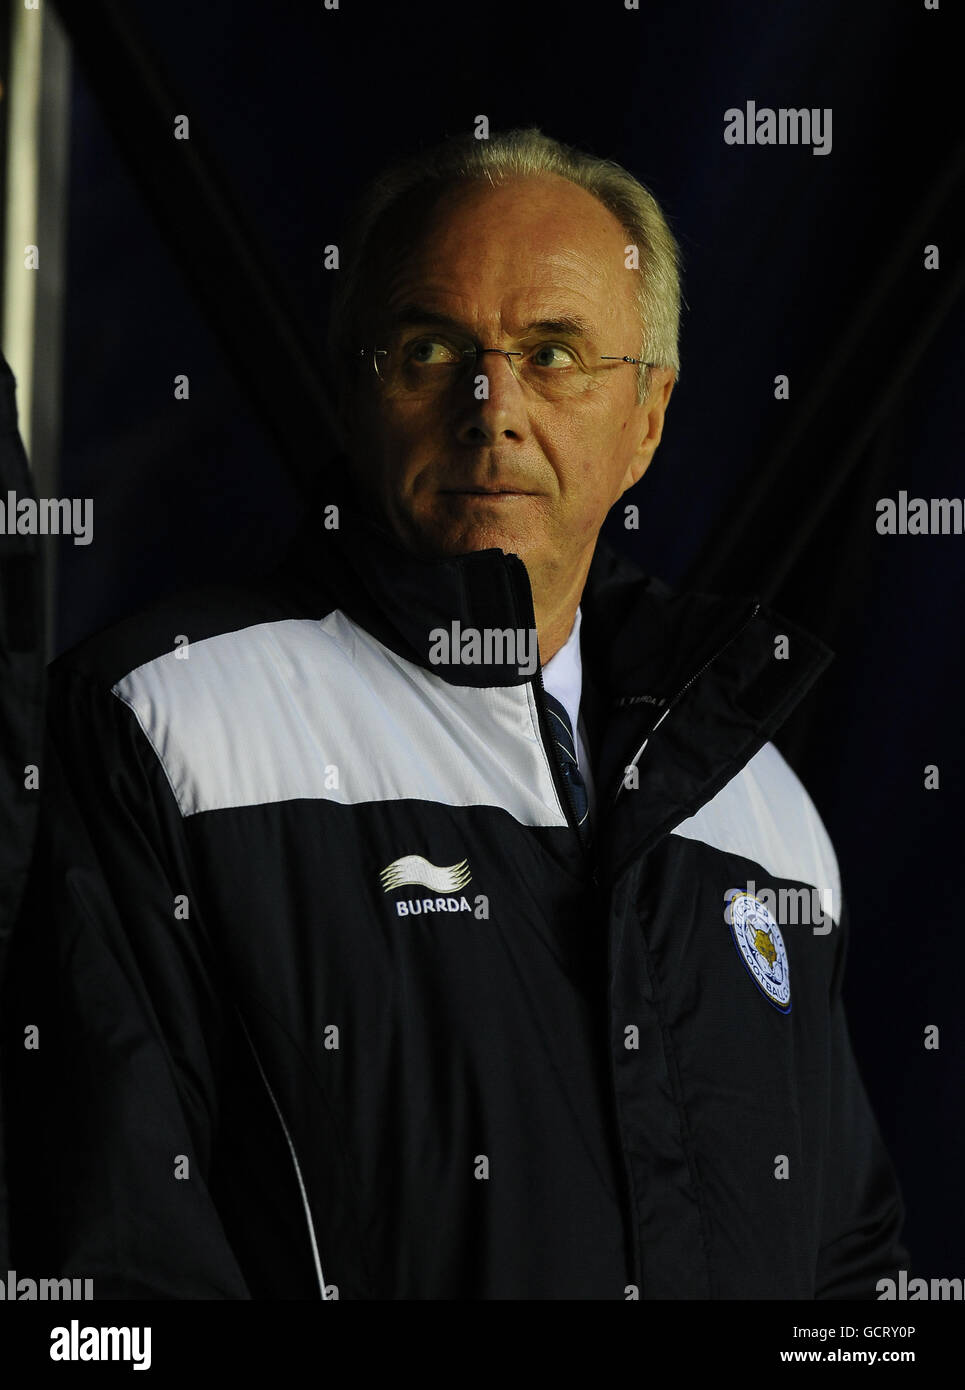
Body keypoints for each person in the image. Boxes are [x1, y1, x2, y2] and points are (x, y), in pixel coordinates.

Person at [2, 127, 907, 1299]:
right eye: (432, 349)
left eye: (554, 353)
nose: (494, 409)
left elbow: (849, 1272)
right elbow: (113, 1278)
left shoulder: (760, 809)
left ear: (648, 417)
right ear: (355, 392)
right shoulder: (164, 724)